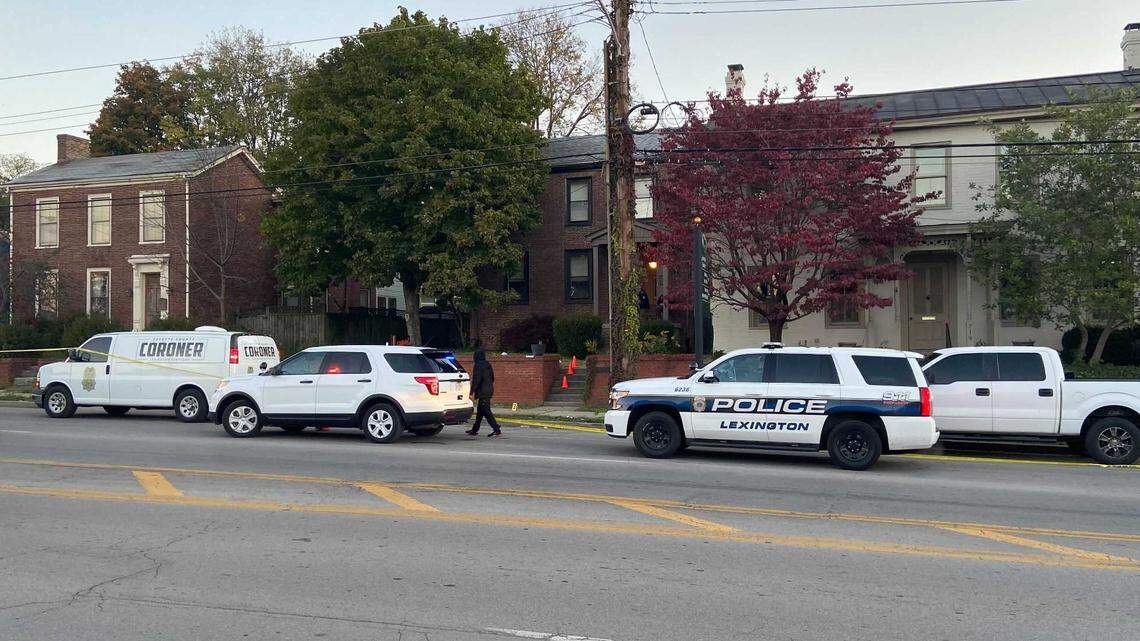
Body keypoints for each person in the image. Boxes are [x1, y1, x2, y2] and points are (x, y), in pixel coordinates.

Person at [465, 342, 501, 437]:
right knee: (480, 412)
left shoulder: (478, 365)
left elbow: (477, 379)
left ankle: (496, 428)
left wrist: (471, 391)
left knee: (486, 411)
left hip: (483, 391)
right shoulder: (487, 364)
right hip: (489, 389)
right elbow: (492, 378)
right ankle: (474, 429)